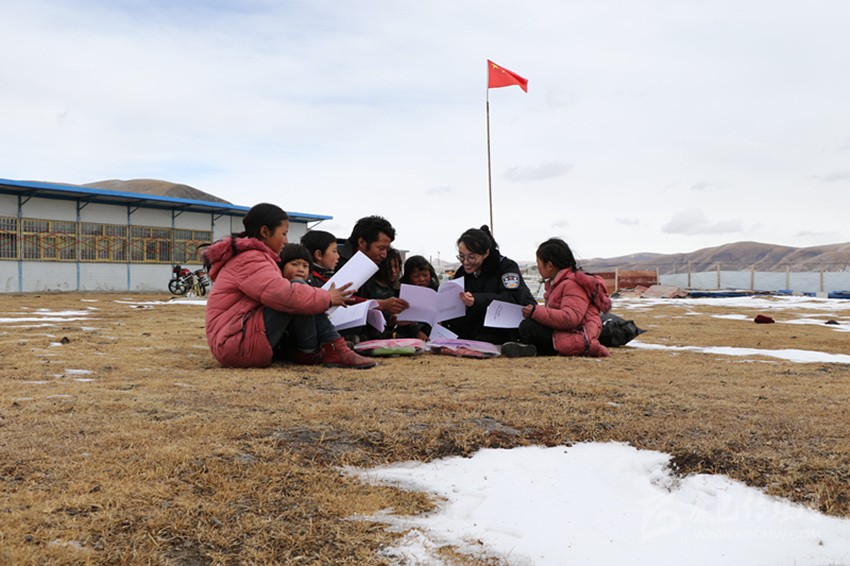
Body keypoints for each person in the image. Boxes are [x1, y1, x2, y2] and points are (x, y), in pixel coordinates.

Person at [203, 203, 375, 369]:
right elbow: (285, 295)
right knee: (297, 291)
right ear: (265, 232)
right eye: (284, 233)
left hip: (238, 337)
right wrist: (327, 297)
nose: (286, 240)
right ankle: (323, 349)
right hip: (235, 343)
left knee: (301, 292)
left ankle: (322, 349)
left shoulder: (252, 257)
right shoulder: (249, 259)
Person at [501, 238, 612, 358]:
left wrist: (536, 312)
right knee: (525, 325)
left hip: (578, 337)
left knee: (528, 327)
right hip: (565, 332)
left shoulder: (572, 284)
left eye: (538, 262)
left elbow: (570, 318)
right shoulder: (558, 283)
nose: (537, 267)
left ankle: (535, 349)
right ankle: (531, 348)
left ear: (549, 265)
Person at [443, 225, 536, 344]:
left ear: (486, 253)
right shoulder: (463, 272)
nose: (466, 262)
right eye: (461, 256)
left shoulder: (506, 267)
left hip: (508, 328)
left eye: (471, 257)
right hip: (477, 328)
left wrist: (476, 300)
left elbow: (512, 298)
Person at [395, 255, 439, 340]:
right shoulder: (402, 292)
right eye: (416, 276)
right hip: (407, 336)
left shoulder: (435, 289)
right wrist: (417, 332)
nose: (422, 279)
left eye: (425, 275)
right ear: (408, 277)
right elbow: (405, 317)